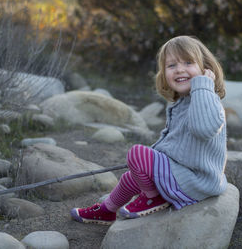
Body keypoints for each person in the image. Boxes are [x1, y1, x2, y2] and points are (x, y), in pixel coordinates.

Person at [70, 35, 227, 225]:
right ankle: (107, 210)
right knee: (131, 176)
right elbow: (173, 142)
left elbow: (203, 129)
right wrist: (150, 162)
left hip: (198, 181)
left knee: (137, 153)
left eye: (188, 62)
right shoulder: (180, 103)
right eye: (171, 66)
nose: (180, 69)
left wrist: (203, 85)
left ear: (206, 68)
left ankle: (154, 198)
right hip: (183, 172)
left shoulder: (209, 100)